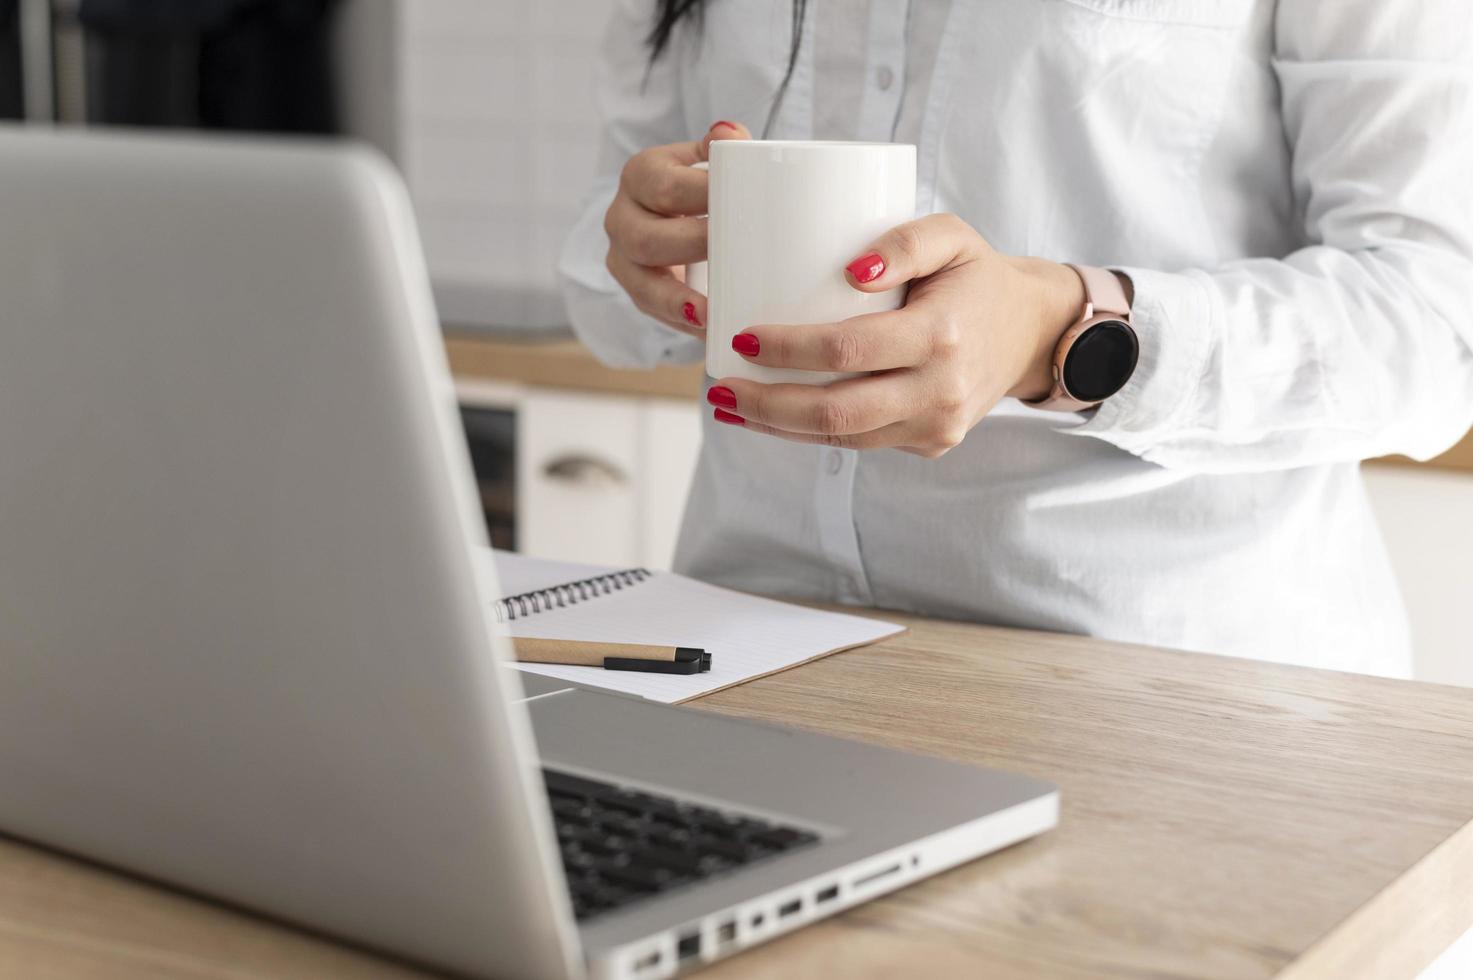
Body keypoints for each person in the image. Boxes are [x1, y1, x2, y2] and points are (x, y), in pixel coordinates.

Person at [558, 0, 1473, 678]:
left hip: (1159, 683)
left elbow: (1435, 317)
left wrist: (1059, 334)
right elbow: (604, 279)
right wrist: (642, 245)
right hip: (747, 649)